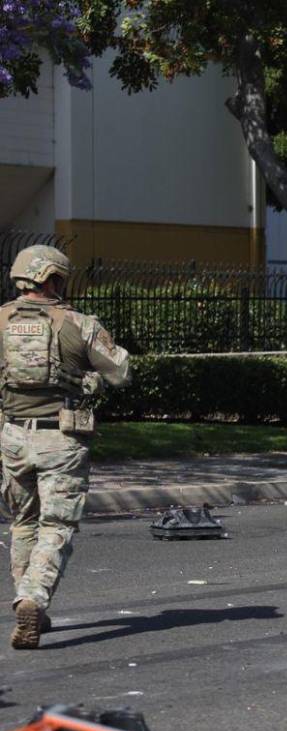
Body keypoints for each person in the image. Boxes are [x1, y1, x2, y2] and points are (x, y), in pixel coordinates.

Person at [4, 245, 131, 650]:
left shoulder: (0, 320)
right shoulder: (77, 323)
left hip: (11, 439)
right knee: (56, 526)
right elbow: (121, 372)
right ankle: (33, 598)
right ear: (53, 279)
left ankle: (31, 609)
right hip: (60, 440)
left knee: (23, 523)